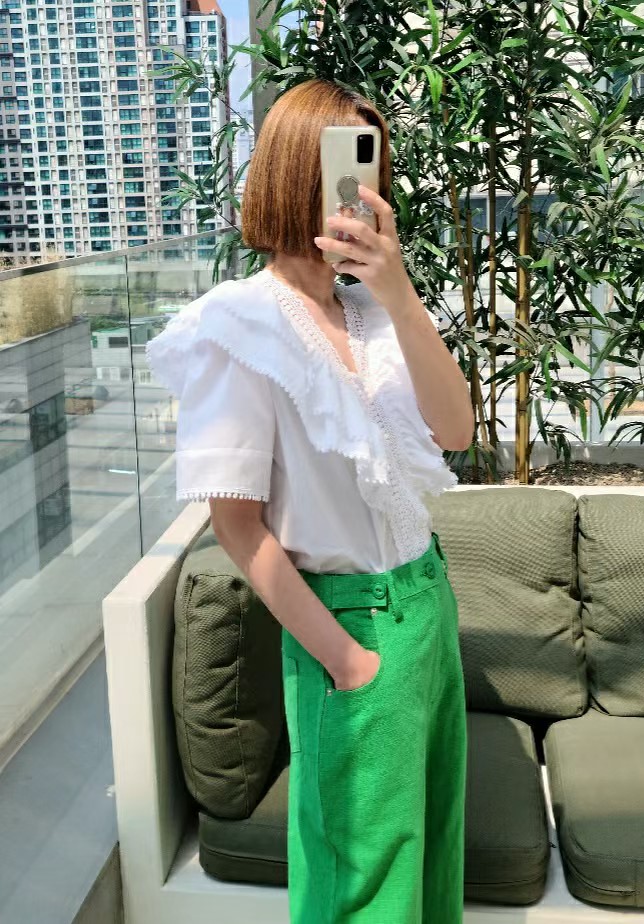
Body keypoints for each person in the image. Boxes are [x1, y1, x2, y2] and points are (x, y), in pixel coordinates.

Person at [146, 77, 473, 924]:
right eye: (342, 165)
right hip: (348, 625)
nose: (361, 189)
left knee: (431, 860)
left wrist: (400, 293)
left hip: (426, 604)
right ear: (298, 173)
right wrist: (346, 659)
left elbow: (456, 429)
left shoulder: (374, 314)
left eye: (371, 170)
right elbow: (236, 527)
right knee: (361, 888)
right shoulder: (239, 326)